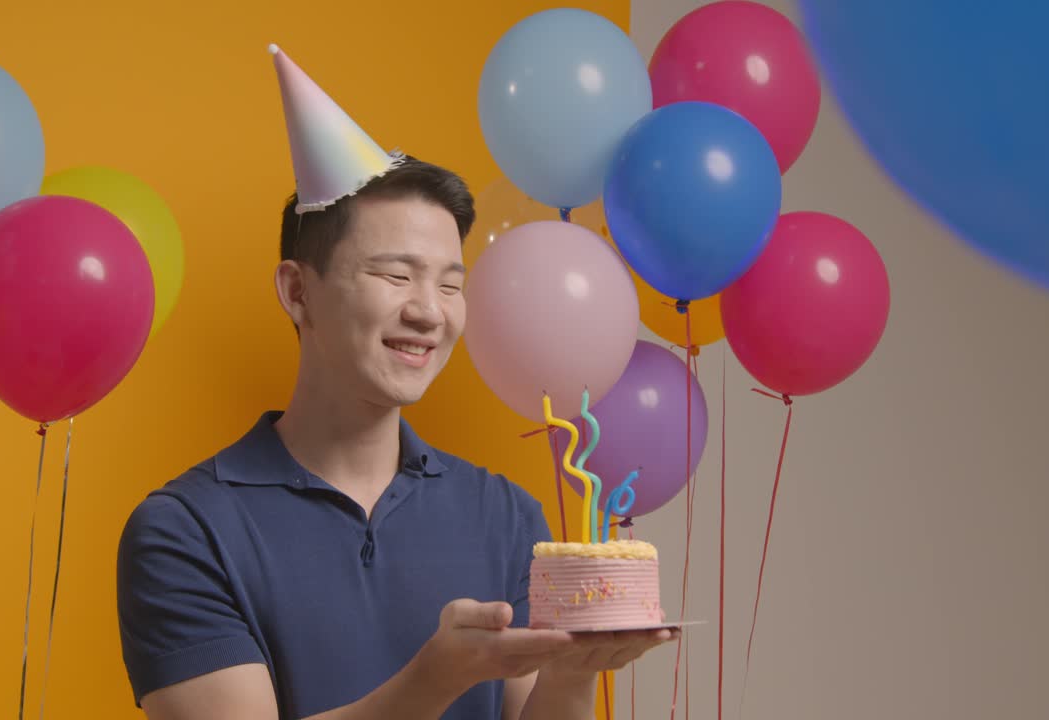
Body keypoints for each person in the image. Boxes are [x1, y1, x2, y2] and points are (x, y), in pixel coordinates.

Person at [115, 46, 678, 720]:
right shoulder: (184, 530)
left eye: (450, 283)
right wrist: (435, 679)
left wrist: (577, 674)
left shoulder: (505, 515)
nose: (428, 311)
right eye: (394, 275)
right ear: (298, 292)